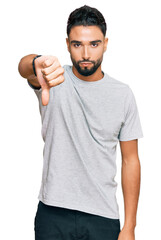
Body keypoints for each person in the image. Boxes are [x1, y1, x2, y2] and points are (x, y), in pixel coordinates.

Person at [18, 5, 143, 240]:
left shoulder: (123, 94)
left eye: (94, 44)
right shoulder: (53, 79)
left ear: (105, 43)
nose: (86, 54)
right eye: (77, 44)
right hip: (53, 212)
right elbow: (24, 68)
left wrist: (130, 227)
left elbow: (131, 160)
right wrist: (36, 62)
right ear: (67, 44)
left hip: (102, 216)